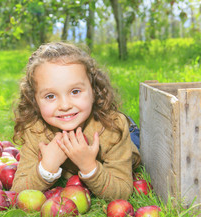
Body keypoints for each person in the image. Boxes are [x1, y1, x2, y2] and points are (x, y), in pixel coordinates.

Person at [10, 42, 141, 201]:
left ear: (94, 91)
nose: (65, 106)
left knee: (137, 141)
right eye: (50, 96)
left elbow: (122, 191)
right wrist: (46, 167)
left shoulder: (113, 129)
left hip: (127, 133)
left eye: (75, 91)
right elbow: (17, 192)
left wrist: (89, 167)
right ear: (34, 101)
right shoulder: (35, 131)